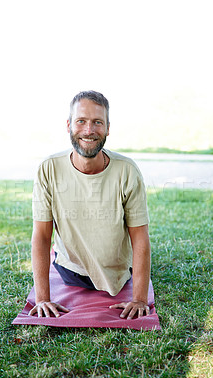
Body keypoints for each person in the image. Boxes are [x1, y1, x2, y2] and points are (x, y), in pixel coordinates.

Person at [29, 90, 151, 320]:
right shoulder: (48, 169)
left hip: (119, 275)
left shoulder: (127, 171)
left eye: (97, 122)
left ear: (107, 128)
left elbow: (140, 236)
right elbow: (42, 236)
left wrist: (140, 299)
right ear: (68, 125)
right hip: (70, 272)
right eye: (81, 121)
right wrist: (42, 298)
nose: (89, 130)